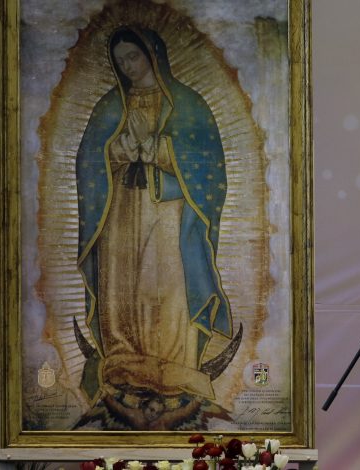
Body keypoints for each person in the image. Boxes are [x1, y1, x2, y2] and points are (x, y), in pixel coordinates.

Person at [74, 26, 236, 424]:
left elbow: (207, 162)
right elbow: (87, 160)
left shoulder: (186, 104)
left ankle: (173, 363)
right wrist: (114, 151)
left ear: (153, 54)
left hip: (167, 210)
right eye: (121, 60)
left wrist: (161, 151)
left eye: (134, 56)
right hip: (121, 211)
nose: (128, 66)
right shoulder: (110, 107)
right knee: (122, 282)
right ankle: (124, 359)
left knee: (164, 280)